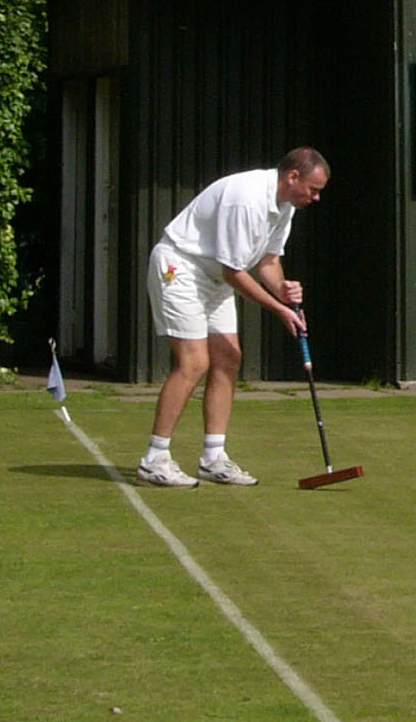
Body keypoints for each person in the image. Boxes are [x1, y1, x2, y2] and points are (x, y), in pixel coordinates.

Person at [136, 151, 329, 486]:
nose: (316, 197)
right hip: (180, 267)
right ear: (292, 177)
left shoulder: (285, 206)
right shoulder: (247, 200)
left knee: (228, 357)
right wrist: (278, 309)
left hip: (214, 277)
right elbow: (234, 271)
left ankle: (213, 458)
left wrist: (283, 290)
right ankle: (154, 459)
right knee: (194, 362)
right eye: (313, 189)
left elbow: (267, 260)